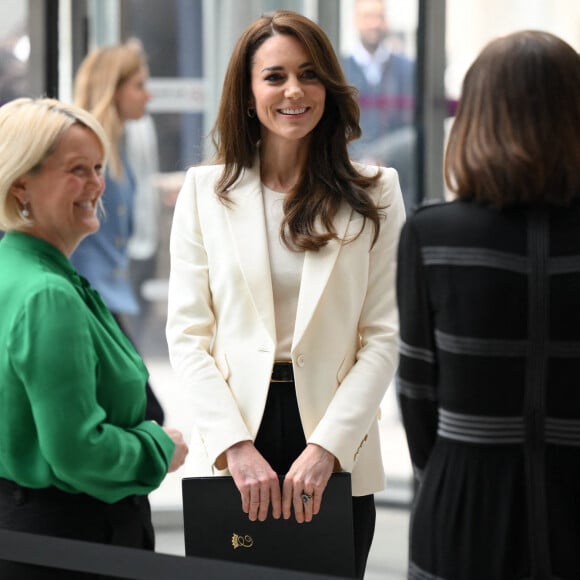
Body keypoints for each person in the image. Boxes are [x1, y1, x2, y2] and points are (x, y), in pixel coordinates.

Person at [165, 10, 406, 579]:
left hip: (334, 436)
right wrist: (232, 447)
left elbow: (384, 335)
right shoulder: (203, 192)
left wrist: (329, 447)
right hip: (235, 437)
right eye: (274, 76)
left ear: (329, 86)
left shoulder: (378, 191)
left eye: (309, 74)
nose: (294, 91)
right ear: (248, 94)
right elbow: (187, 334)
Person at [396, 30, 580, 580]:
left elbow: (417, 396)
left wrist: (448, 476)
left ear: (476, 116)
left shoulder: (432, 234)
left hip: (464, 505)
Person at [0, 97, 188, 580]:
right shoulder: (48, 294)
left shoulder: (17, 270)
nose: (97, 185)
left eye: (99, 168)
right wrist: (157, 448)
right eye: (77, 169)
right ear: (21, 183)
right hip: (76, 547)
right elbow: (78, 450)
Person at [71, 40, 165, 424]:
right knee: (144, 411)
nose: (148, 94)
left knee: (135, 410)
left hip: (107, 300)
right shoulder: (84, 153)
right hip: (87, 303)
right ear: (114, 88)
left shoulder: (120, 148)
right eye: (139, 85)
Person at [341, 0, 416, 212]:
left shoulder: (407, 70)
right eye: (368, 17)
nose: (374, 23)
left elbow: (413, 128)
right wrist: (360, 161)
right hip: (348, 179)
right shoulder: (339, 68)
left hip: (398, 181)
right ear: (355, 21)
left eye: (379, 17)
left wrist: (382, 157)